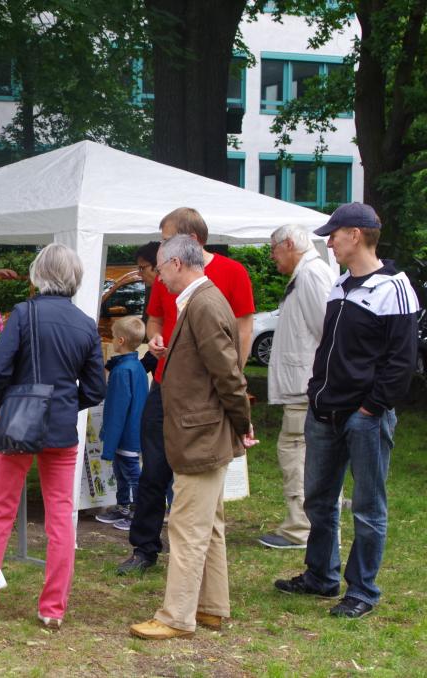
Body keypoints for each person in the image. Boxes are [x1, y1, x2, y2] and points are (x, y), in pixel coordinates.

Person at [274, 203, 420, 619]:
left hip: (364, 418)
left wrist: (371, 408)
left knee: (368, 507)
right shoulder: (340, 284)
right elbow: (329, 347)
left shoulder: (394, 288)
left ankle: (363, 591)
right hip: (325, 411)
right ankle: (321, 576)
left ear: (355, 235)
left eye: (334, 235)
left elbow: (401, 360)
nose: (330, 242)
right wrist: (318, 393)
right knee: (319, 501)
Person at [0, 243, 106, 629]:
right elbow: (96, 389)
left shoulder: (23, 314)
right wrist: (63, 403)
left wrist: (10, 402)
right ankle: (52, 609)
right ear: (74, 278)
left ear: (37, 274)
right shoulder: (84, 324)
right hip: (62, 429)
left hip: (18, 424)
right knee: (61, 518)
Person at [130, 235, 257, 640]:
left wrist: (242, 422)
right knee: (210, 523)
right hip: (202, 430)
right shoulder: (202, 301)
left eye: (161, 268)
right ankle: (210, 608)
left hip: (200, 433)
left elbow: (228, 372)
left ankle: (176, 616)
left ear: (178, 264)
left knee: (186, 526)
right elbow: (214, 366)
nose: (158, 278)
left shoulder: (202, 303)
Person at [259, 224, 334, 549]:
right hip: (306, 384)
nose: (273, 256)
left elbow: (328, 331)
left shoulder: (311, 275)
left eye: (274, 249)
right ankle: (306, 524)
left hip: (307, 386)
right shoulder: (308, 273)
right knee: (302, 452)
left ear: (289, 244)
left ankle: (300, 528)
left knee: (295, 452)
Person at [95, 316, 148, 531]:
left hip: (126, 434)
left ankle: (137, 512)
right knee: (122, 471)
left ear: (121, 341)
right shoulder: (135, 367)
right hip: (131, 432)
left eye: (114, 337)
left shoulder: (122, 372)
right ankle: (124, 506)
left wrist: (109, 442)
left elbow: (117, 411)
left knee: (131, 473)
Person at [135, 241, 160, 374]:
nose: (139, 274)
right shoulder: (155, 290)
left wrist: (136, 370)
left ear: (157, 266)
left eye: (142, 268)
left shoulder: (172, 293)